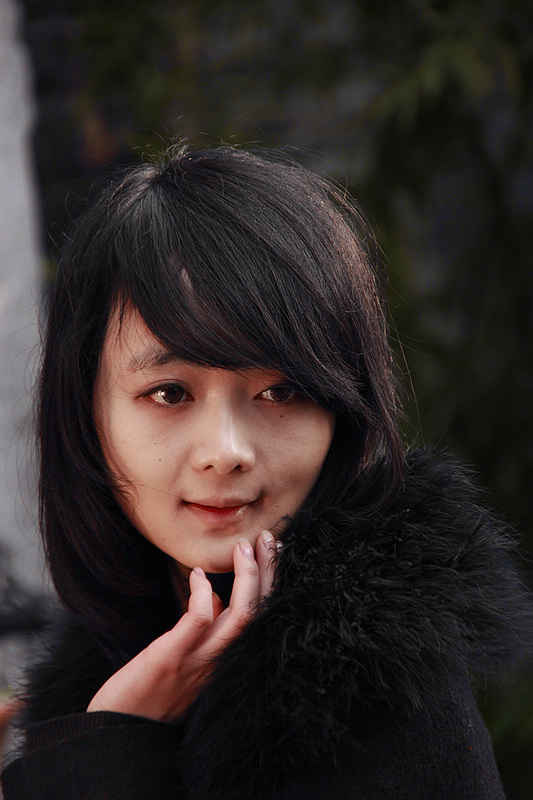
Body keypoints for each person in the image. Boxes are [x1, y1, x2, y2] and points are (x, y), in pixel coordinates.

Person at [1, 145, 530, 799]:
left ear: (341, 411)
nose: (226, 451)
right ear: (87, 414)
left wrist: (106, 751)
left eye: (281, 391)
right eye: (169, 393)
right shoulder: (102, 667)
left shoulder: (381, 699)